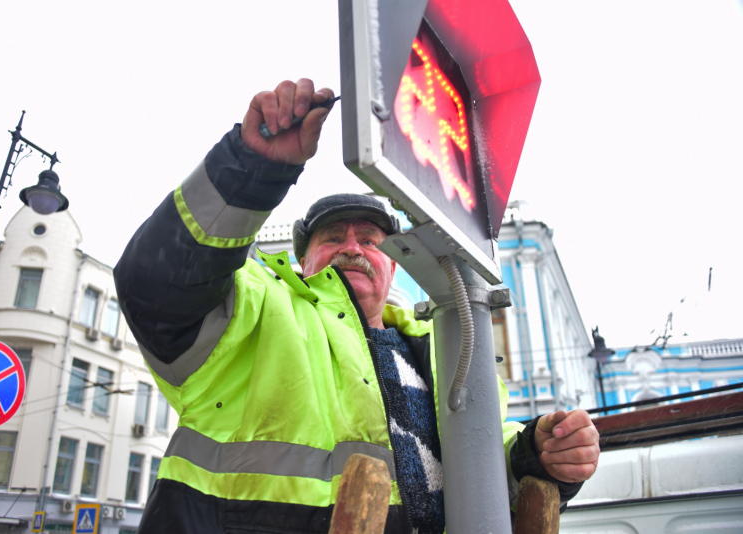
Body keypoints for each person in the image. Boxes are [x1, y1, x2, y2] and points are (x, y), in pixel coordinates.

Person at [114, 78, 600, 534]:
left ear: (393, 267)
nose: (352, 248)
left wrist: (540, 453)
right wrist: (250, 171)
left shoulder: (449, 354)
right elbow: (155, 284)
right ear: (302, 261)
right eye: (331, 237)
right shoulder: (255, 312)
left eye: (370, 240)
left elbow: (488, 464)